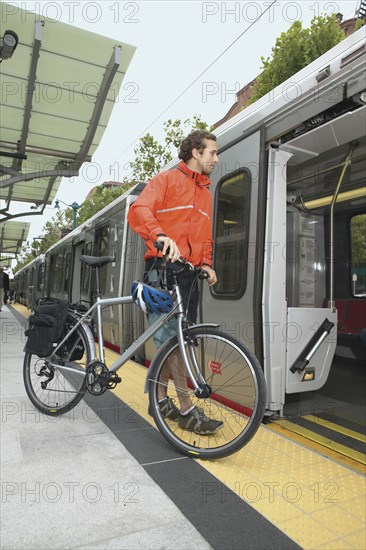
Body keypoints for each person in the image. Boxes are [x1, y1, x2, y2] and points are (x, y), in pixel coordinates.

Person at [128, 129, 223, 435]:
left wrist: (206, 263)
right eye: (212, 152)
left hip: (189, 274)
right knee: (173, 342)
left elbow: (205, 236)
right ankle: (186, 409)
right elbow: (138, 210)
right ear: (195, 152)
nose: (215, 158)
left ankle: (158, 400)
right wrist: (159, 236)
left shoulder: (205, 194)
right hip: (162, 268)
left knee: (179, 339)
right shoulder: (166, 180)